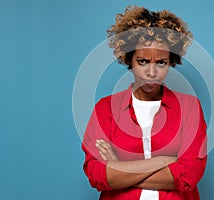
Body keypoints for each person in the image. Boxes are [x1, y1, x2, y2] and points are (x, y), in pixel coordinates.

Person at [82, 6, 207, 200]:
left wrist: (119, 170)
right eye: (142, 61)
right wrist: (165, 161)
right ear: (129, 59)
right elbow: (97, 175)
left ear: (171, 61)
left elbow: (188, 174)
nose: (151, 72)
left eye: (161, 62)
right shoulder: (105, 109)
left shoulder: (190, 108)